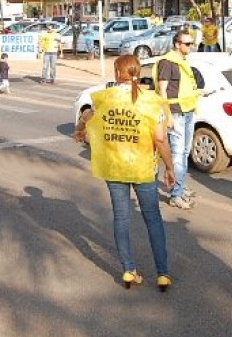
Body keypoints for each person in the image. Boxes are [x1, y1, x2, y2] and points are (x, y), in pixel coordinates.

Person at [75, 55, 176, 291]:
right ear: (138, 72)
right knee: (153, 219)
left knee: (121, 218)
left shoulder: (103, 99)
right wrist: (169, 167)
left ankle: (128, 271)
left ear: (115, 72)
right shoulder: (152, 101)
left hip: (114, 167)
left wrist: (80, 129)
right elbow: (160, 139)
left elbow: (87, 114)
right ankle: (162, 274)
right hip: (143, 169)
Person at [153, 30, 199, 210]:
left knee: (185, 152)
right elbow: (162, 91)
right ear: (177, 44)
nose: (190, 47)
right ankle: (176, 194)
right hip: (176, 112)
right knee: (178, 155)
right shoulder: (168, 62)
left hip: (188, 110)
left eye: (191, 43)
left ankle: (180, 186)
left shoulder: (183, 62)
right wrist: (168, 115)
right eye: (187, 43)